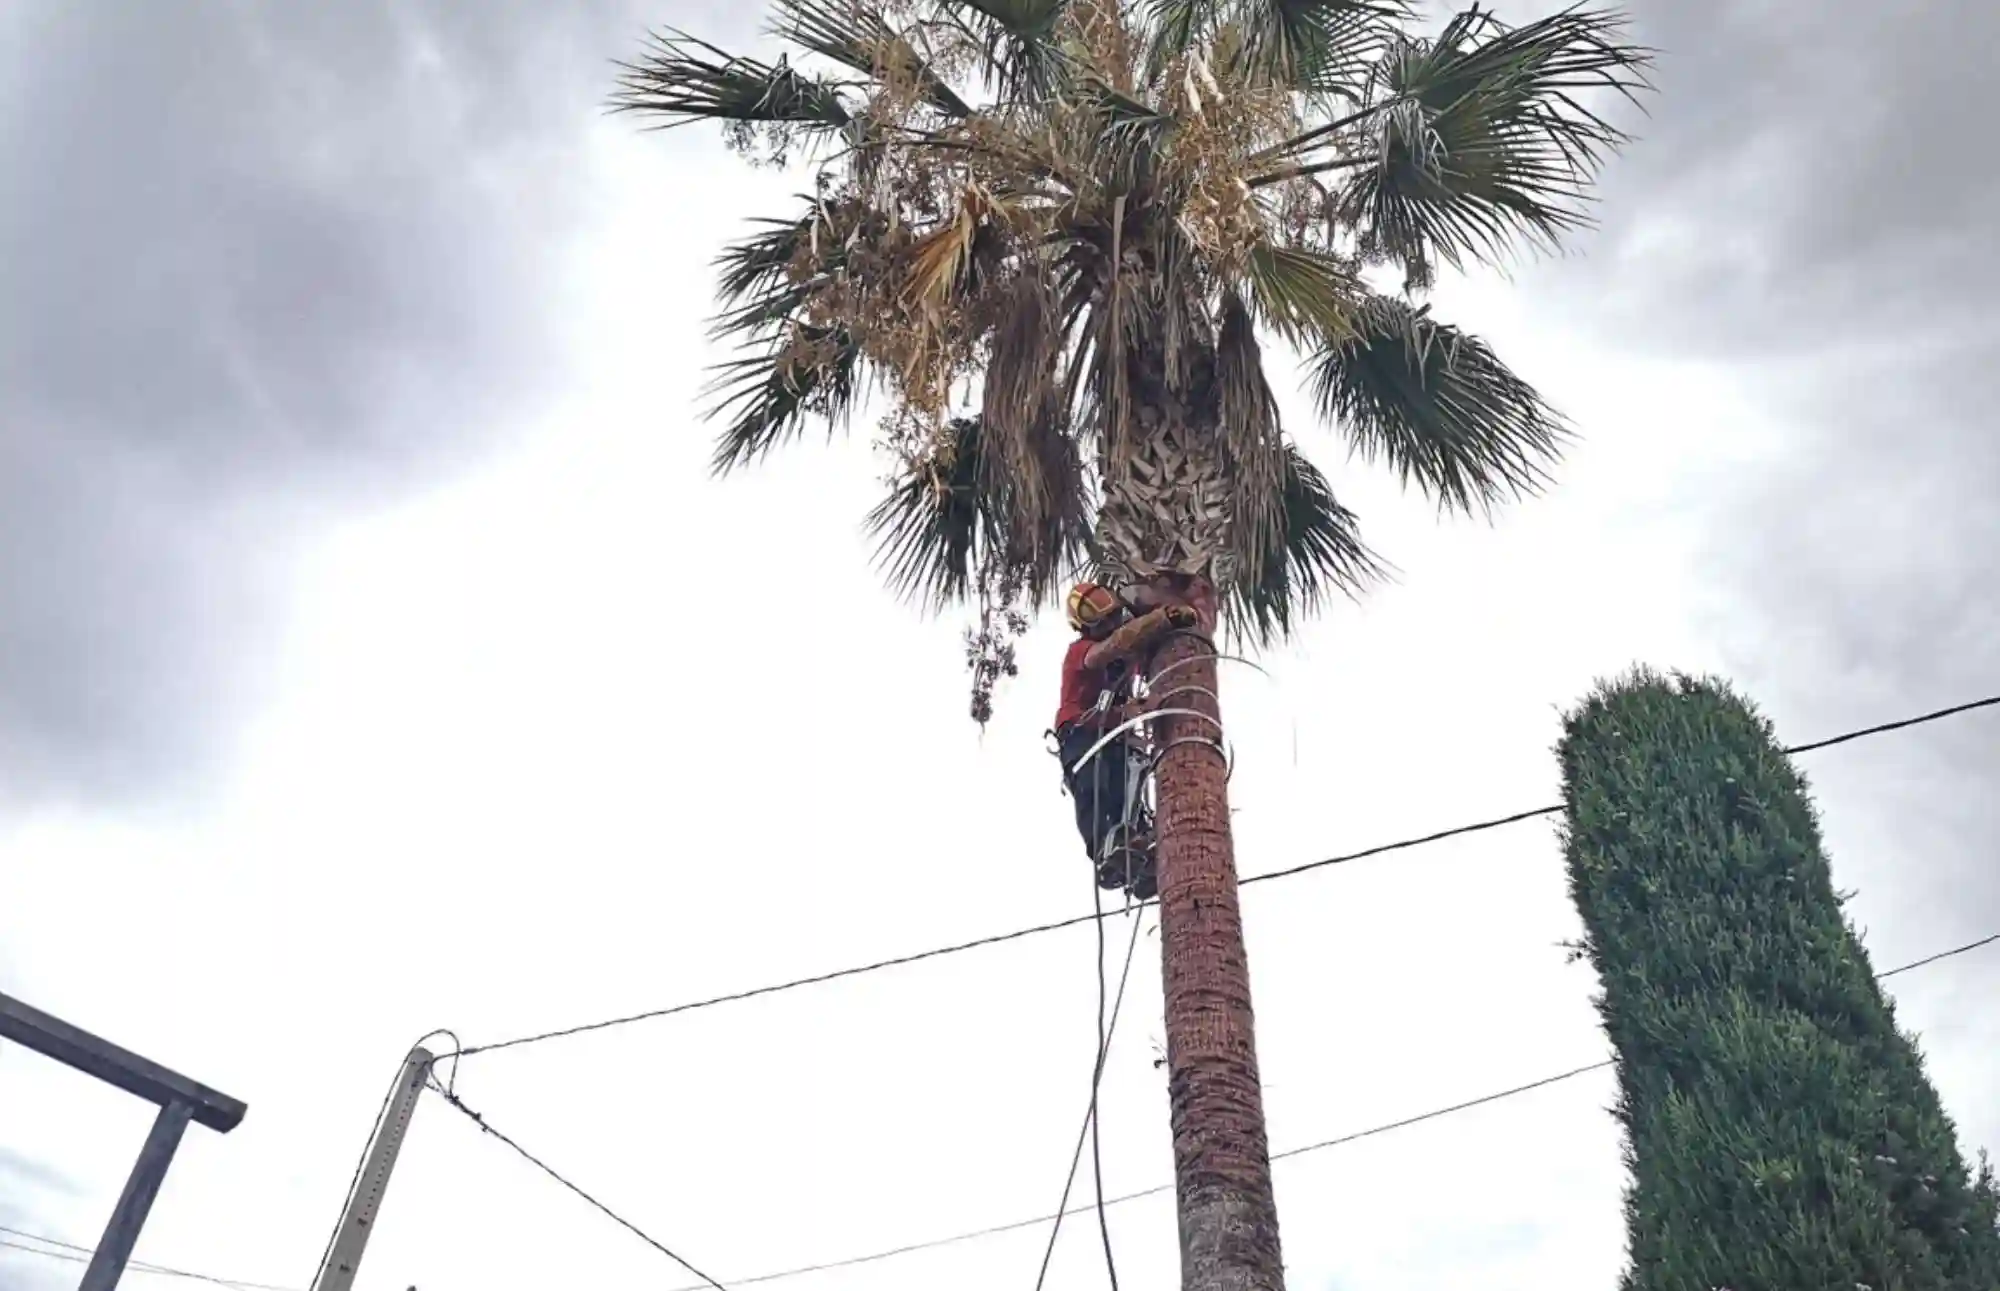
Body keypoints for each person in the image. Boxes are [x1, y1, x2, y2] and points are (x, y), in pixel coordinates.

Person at [1052, 580, 1198, 898]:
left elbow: (1133, 652)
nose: (1108, 624)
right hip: (1081, 733)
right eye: (1099, 621)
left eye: (1110, 616)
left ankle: (1138, 850)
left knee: (1125, 791)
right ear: (1086, 627)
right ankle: (1105, 850)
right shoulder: (1081, 652)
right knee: (1095, 788)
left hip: (1116, 734)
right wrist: (1162, 618)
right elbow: (1111, 648)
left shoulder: (1129, 656)